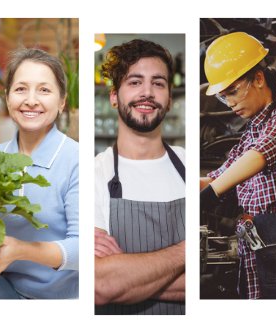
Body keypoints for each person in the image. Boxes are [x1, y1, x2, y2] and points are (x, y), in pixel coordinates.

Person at [93, 39, 186, 315]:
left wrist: (128, 274)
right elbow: (100, 285)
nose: (147, 92)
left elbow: (213, 276)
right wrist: (187, 251)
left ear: (169, 98)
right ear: (114, 96)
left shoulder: (190, 166)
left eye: (158, 83)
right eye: (135, 82)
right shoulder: (94, 174)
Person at [200, 31, 276, 299]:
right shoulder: (250, 132)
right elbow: (219, 175)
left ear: (259, 78)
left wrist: (210, 193)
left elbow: (261, 154)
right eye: (224, 97)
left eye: (234, 91)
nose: (230, 103)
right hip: (259, 240)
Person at [0, 48, 78, 299]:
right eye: (20, 89)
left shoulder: (76, 159)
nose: (31, 100)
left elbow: (85, 248)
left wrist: (20, 250)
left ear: (62, 102)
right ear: (7, 99)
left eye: (44, 90)